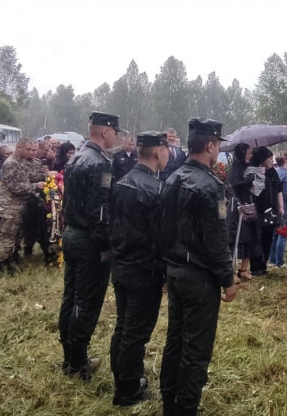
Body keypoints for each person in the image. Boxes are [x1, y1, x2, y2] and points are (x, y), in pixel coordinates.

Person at [159, 118, 238, 416]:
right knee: (196, 348)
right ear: (209, 145)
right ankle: (186, 407)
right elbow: (217, 241)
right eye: (218, 145)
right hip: (199, 278)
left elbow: (162, 229)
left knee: (174, 340)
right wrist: (227, 279)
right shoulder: (208, 185)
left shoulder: (173, 178)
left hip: (176, 271)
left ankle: (170, 401)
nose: (218, 151)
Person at [58, 111, 125, 380]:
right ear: (105, 131)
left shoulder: (76, 157)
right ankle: (77, 363)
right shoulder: (99, 163)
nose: (117, 137)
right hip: (88, 240)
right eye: (115, 132)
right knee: (86, 302)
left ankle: (70, 356)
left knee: (70, 296)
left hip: (72, 234)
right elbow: (100, 212)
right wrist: (106, 246)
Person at [109, 131, 170, 406]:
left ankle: (122, 380)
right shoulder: (155, 190)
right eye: (166, 149)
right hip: (144, 271)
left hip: (121, 265)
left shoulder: (121, 182)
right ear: (158, 151)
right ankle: (128, 390)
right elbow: (161, 239)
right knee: (136, 332)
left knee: (123, 327)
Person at [0, 138, 46, 273]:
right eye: (27, 149)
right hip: (10, 206)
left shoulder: (22, 162)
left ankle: (13, 258)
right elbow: (18, 187)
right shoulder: (11, 163)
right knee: (7, 235)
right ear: (19, 148)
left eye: (32, 149)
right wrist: (37, 186)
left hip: (20, 206)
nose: (30, 152)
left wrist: (44, 175)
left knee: (17, 235)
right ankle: (2, 263)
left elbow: (30, 175)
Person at [250, 146, 283, 276]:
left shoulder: (273, 172)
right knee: (257, 238)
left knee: (268, 238)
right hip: (258, 211)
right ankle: (256, 267)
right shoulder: (254, 172)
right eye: (269, 158)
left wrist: (281, 207)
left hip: (272, 210)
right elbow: (254, 192)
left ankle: (263, 265)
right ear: (262, 159)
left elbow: (279, 189)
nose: (271, 160)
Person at [228, 143, 257, 279]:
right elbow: (235, 183)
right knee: (235, 239)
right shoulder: (235, 167)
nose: (249, 156)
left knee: (250, 237)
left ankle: (244, 269)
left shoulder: (249, 166)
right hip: (237, 206)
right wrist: (247, 181)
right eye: (247, 153)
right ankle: (232, 271)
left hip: (249, 204)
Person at [268, 153, 287, 269]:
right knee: (283, 235)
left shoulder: (277, 172)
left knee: (276, 234)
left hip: (278, 208)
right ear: (286, 160)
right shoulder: (286, 175)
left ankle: (271, 259)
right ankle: (279, 262)